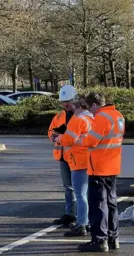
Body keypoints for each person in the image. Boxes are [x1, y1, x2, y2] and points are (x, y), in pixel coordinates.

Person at [75, 92, 125, 252]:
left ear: (95, 105)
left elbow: (92, 140)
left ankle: (99, 240)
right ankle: (113, 238)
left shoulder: (102, 117)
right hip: (112, 166)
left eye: (90, 108)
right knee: (111, 203)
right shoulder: (117, 116)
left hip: (99, 167)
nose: (90, 112)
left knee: (97, 205)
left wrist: (80, 139)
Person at [55, 95, 93, 237]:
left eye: (74, 108)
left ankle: (81, 224)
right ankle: (88, 222)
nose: (73, 110)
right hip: (91, 160)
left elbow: (68, 139)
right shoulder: (92, 118)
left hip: (78, 160)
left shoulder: (78, 119)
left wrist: (58, 138)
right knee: (88, 194)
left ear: (79, 107)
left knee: (80, 194)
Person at [48, 85, 77, 227]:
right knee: (68, 187)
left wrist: (62, 136)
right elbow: (50, 132)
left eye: (68, 101)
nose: (65, 104)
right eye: (63, 101)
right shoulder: (59, 116)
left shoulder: (81, 115)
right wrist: (54, 136)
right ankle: (70, 214)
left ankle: (81, 216)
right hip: (63, 156)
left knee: (80, 188)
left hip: (78, 157)